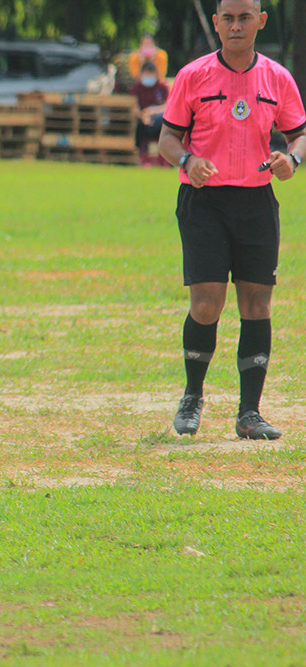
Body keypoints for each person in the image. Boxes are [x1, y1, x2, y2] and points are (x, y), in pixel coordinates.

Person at [159, 0, 306, 440]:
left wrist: (292, 159)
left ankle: (249, 413)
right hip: (204, 202)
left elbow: (299, 133)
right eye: (229, 18)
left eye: (245, 18)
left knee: (256, 305)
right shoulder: (193, 76)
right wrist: (189, 159)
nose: (236, 26)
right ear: (218, 23)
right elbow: (166, 137)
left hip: (257, 203)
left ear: (261, 21)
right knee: (206, 305)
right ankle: (191, 397)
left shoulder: (277, 78)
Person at [129, 61, 170, 167]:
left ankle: (164, 159)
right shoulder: (136, 88)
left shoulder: (163, 87)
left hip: (159, 117)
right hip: (142, 119)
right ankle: (143, 156)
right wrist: (143, 116)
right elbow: (134, 106)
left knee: (163, 123)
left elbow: (168, 106)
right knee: (140, 126)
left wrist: (153, 111)